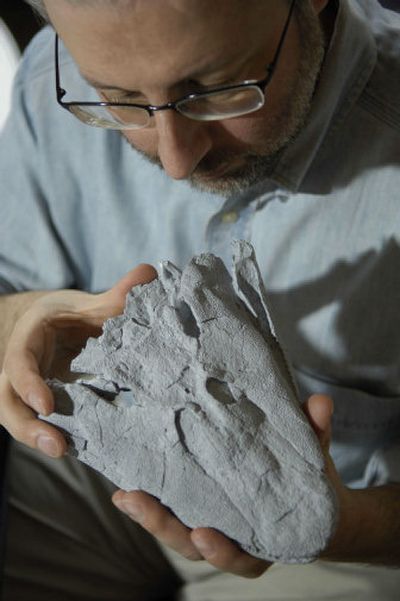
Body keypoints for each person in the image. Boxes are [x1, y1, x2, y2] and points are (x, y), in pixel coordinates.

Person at [0, 0, 399, 598]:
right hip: (94, 467)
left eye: (216, 89)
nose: (175, 158)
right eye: (119, 98)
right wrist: (18, 321)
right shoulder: (48, 77)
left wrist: (347, 526)